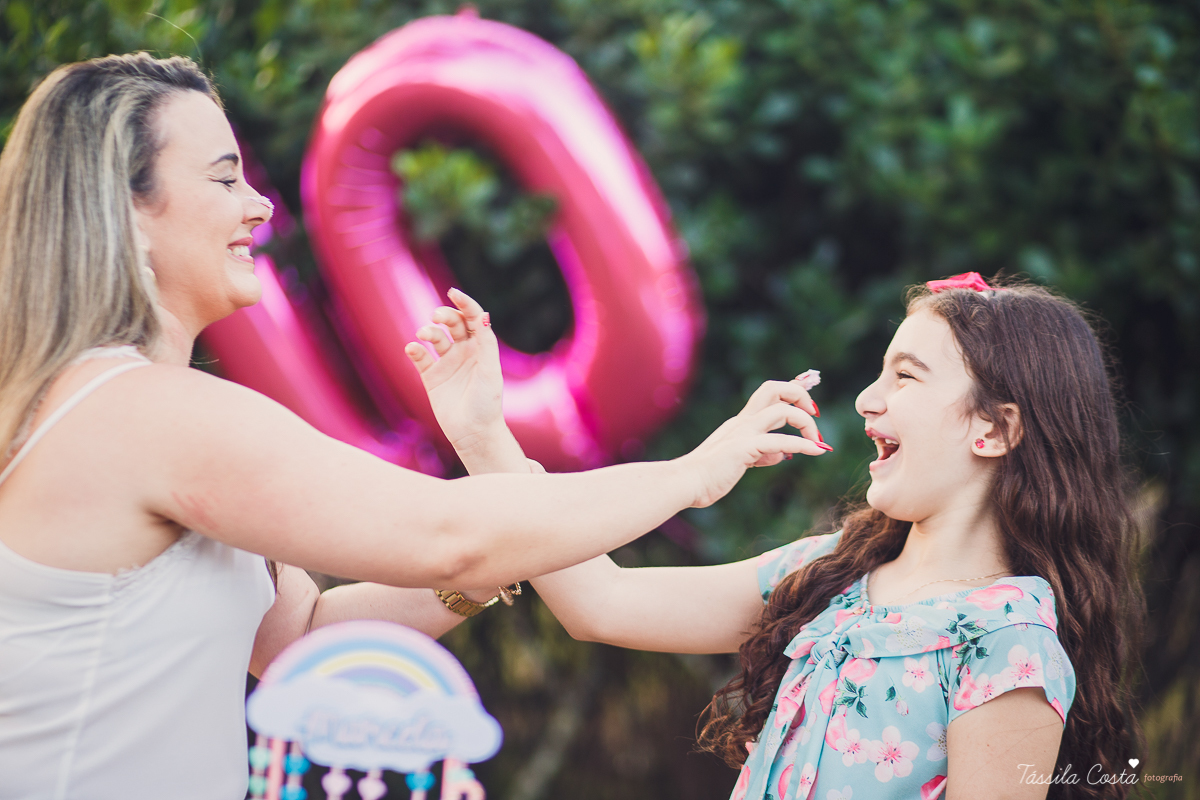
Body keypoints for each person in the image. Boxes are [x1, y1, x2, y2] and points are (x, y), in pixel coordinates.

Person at [0, 54, 827, 799]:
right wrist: (696, 472)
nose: (257, 206)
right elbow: (447, 537)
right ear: (127, 208)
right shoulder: (148, 414)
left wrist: (479, 444)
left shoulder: (111, 405)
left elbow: (302, 639)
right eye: (224, 181)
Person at [414, 274, 1143, 799]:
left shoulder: (1009, 643)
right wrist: (482, 435)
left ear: (996, 428)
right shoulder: (828, 574)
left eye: (907, 376)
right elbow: (602, 602)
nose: (867, 399)